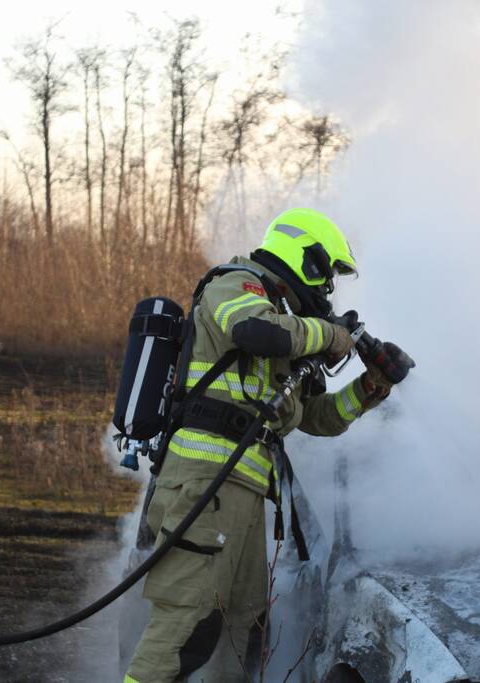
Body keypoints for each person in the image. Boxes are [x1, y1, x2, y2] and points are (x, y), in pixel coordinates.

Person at [125, 208, 408, 682]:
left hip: (241, 497)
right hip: (202, 486)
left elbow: (315, 418)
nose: (329, 290)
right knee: (184, 627)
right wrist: (329, 334)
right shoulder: (237, 284)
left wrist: (368, 389)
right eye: (328, 275)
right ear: (306, 259)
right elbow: (252, 330)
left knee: (244, 631)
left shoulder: (288, 333)